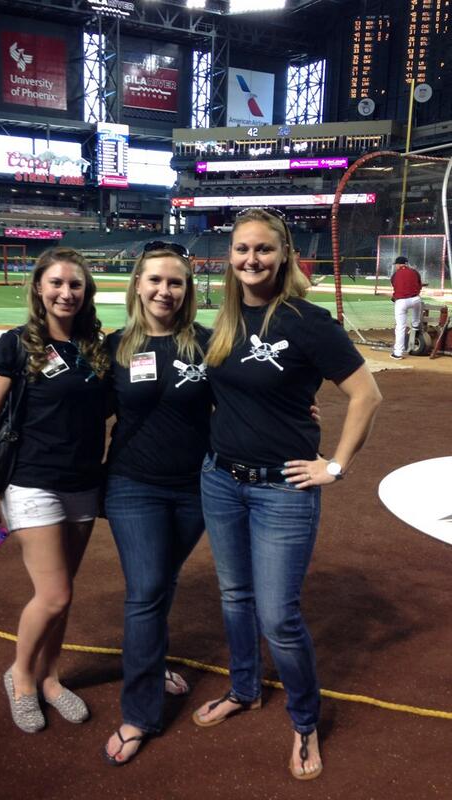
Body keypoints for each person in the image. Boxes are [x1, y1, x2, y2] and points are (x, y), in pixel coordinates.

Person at [192, 208, 382, 781]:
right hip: (221, 479)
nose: (252, 260)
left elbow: (367, 394)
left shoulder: (306, 321)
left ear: (283, 255)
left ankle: (304, 722)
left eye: (264, 250)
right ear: (229, 256)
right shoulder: (222, 319)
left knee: (279, 616)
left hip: (283, 490)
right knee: (234, 598)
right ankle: (245, 689)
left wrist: (336, 466)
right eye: (242, 249)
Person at [0, 247, 108, 734]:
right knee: (54, 593)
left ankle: (51, 678)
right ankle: (22, 678)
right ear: (39, 289)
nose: (66, 292)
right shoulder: (15, 346)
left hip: (83, 485)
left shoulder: (95, 348)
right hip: (32, 485)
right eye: (57, 283)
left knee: (63, 598)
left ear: (86, 292)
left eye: (75, 284)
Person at [103, 241, 213, 765]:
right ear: (138, 285)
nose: (164, 291)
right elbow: (75, 411)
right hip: (133, 485)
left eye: (175, 282)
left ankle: (151, 660)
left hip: (196, 488)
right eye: (155, 281)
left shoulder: (210, 344)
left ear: (187, 290)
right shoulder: (115, 347)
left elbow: (252, 393)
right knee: (145, 590)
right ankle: (139, 713)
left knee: (163, 581)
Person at [390, 255, 422, 360]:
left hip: (401, 302)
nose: (395, 267)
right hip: (415, 300)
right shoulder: (415, 272)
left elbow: (395, 286)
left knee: (400, 327)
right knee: (418, 302)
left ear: (399, 265)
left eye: (396, 265)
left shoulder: (395, 274)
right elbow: (419, 285)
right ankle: (416, 324)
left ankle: (398, 353)